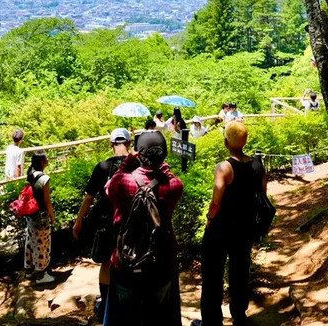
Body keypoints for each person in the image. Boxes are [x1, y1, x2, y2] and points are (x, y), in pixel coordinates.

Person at [104, 131, 184, 326]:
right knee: (160, 315)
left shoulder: (122, 181)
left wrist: (126, 163)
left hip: (126, 260)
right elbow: (169, 177)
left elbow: (108, 188)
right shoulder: (174, 185)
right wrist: (163, 168)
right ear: (163, 156)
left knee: (124, 316)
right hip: (161, 260)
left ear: (138, 153)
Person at [193, 122, 266, 326]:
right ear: (245, 141)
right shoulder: (258, 165)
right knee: (240, 271)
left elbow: (216, 202)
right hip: (245, 228)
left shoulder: (224, 167)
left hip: (221, 229)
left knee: (212, 274)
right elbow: (263, 196)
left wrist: (209, 221)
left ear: (226, 142)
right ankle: (239, 315)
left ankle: (211, 320)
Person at [72, 129, 135, 321]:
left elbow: (89, 197)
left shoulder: (102, 167)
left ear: (111, 145)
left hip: (106, 223)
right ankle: (128, 306)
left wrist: (78, 221)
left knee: (107, 263)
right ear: (129, 143)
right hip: (131, 222)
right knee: (130, 262)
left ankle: (106, 307)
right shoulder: (137, 165)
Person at [25, 152, 56, 284]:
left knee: (31, 241)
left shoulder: (30, 174)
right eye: (46, 158)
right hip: (41, 217)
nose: (48, 159)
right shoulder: (44, 179)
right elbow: (47, 201)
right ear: (43, 162)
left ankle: (30, 270)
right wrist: (52, 217)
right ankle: (41, 275)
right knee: (42, 244)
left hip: (31, 215)